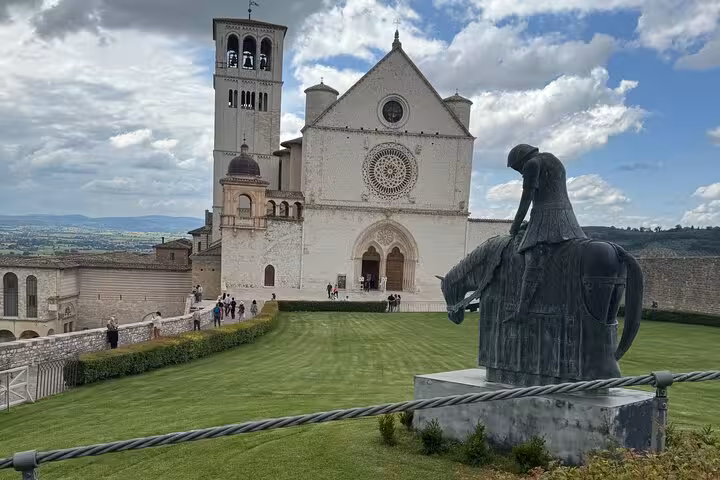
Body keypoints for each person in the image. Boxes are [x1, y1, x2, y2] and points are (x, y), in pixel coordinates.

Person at [506, 144, 587, 322]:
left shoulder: (532, 164)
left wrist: (515, 226)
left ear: (521, 160)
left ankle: (522, 311)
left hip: (548, 217)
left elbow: (526, 199)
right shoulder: (553, 160)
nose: (520, 173)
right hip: (567, 216)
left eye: (517, 169)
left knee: (532, 256)